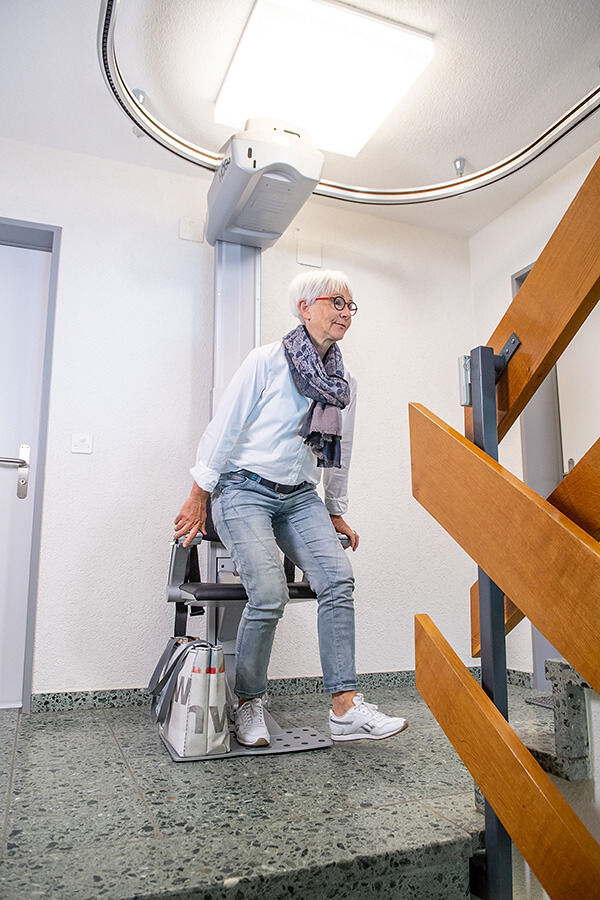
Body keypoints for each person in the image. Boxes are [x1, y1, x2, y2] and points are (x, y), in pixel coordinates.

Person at [174, 270, 408, 747]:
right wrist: (199, 492)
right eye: (336, 302)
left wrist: (335, 509)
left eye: (350, 306)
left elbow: (341, 448)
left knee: (337, 580)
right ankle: (248, 702)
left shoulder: (343, 383)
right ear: (305, 308)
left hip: (299, 495)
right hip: (243, 487)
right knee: (268, 592)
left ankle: (344, 708)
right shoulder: (266, 361)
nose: (345, 313)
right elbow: (225, 425)